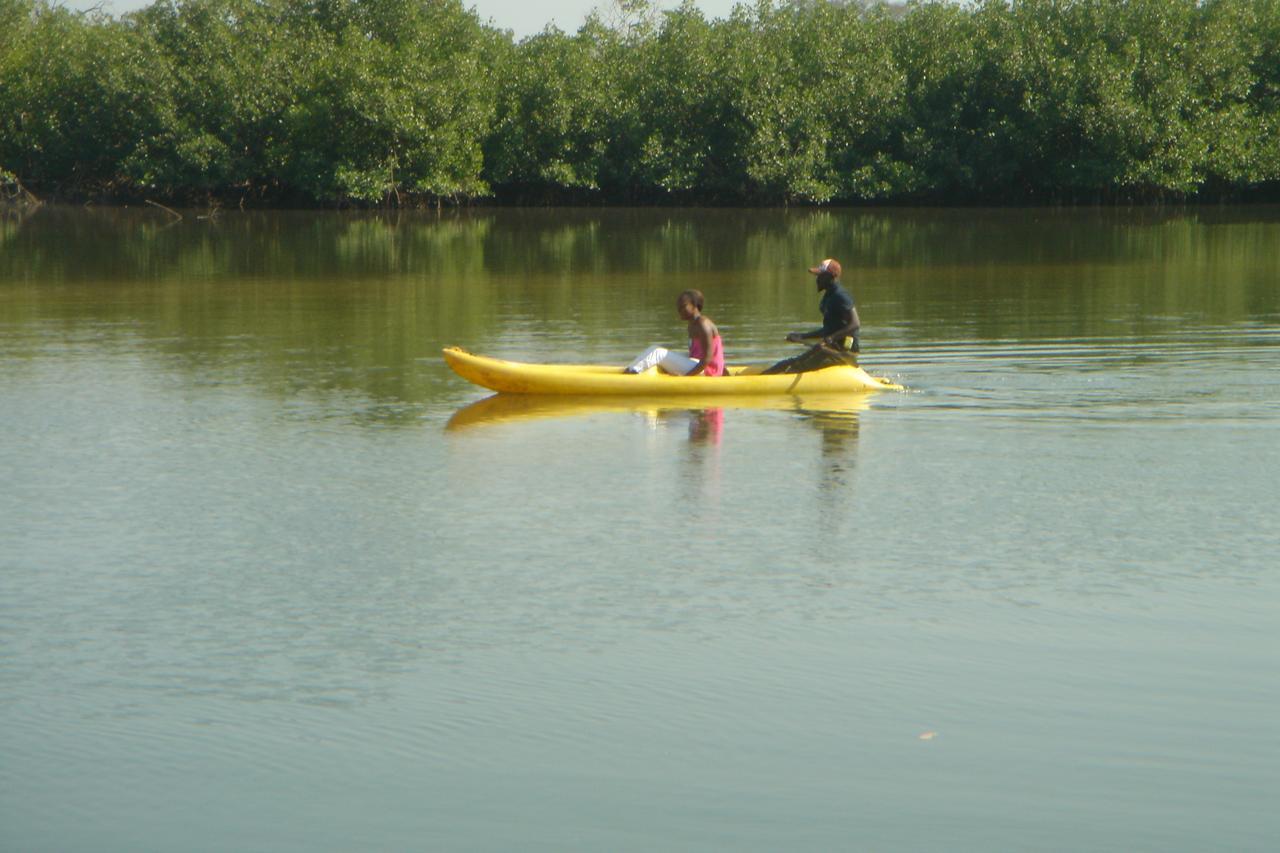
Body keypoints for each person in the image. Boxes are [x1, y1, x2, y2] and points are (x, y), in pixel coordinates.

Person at [762, 257, 860, 374]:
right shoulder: (829, 296)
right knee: (785, 364)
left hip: (843, 354)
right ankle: (756, 380)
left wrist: (831, 338)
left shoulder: (841, 296)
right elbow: (827, 330)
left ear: (830, 277)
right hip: (829, 349)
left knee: (794, 369)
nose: (817, 279)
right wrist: (802, 336)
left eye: (820, 276)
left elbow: (855, 324)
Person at [625, 289, 725, 376]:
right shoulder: (692, 325)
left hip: (707, 371)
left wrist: (686, 377)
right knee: (656, 355)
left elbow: (707, 359)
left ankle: (630, 373)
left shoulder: (703, 324)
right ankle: (632, 370)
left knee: (657, 353)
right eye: (678, 306)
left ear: (695, 305)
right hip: (698, 365)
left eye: (683, 306)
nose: (679, 309)